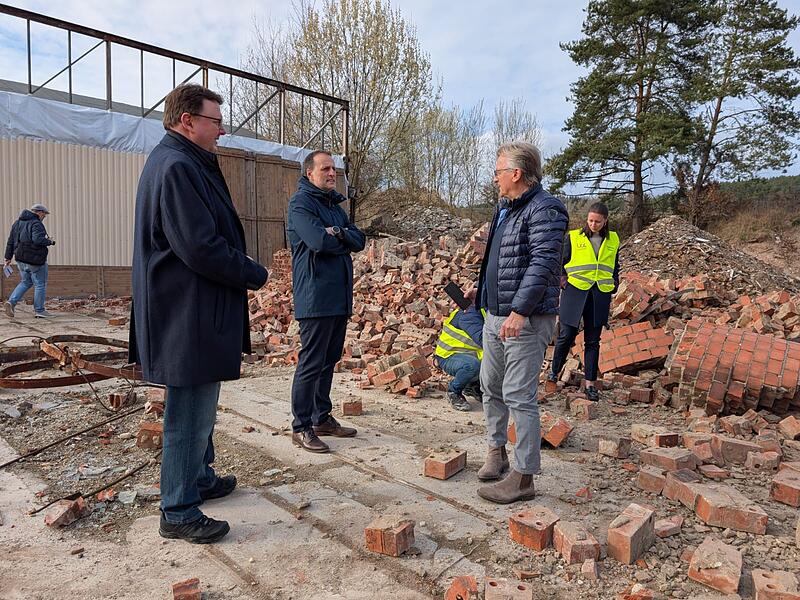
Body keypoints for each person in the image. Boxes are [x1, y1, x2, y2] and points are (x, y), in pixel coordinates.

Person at [129, 84, 268, 544]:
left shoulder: (184, 162)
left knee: (202, 402)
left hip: (193, 311)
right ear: (187, 120)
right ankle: (179, 508)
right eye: (215, 120)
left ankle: (199, 478)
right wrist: (251, 272)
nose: (222, 129)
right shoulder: (176, 167)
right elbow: (199, 246)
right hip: (184, 314)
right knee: (188, 411)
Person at [471, 141, 569, 504]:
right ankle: (496, 452)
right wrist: (479, 290)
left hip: (524, 320)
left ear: (516, 173)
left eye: (498, 171)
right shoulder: (505, 209)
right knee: (490, 386)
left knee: (518, 395)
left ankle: (524, 477)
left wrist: (520, 311)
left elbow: (543, 264)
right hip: (495, 315)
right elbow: (500, 259)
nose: (495, 178)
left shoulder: (546, 210)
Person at [287, 150, 366, 453]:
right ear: (310, 173)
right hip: (315, 296)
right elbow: (318, 241)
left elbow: (359, 240)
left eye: (334, 169)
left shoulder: (334, 207)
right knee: (311, 362)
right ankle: (301, 426)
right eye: (326, 169)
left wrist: (339, 232)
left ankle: (321, 417)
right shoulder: (301, 204)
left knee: (328, 360)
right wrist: (338, 237)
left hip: (338, 297)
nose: (332, 173)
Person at [548, 202, 620, 401]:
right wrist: (563, 282)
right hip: (575, 291)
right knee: (566, 334)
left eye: (598, 221)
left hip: (599, 295)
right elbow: (560, 263)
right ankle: (554, 373)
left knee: (592, 341)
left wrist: (615, 282)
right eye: (590, 220)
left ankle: (590, 385)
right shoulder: (572, 237)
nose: (593, 224)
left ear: (605, 221)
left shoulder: (613, 239)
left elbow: (615, 265)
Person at [4, 204, 56, 318]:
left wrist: (8, 258)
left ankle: (11, 302)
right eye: (44, 214)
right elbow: (37, 240)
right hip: (35, 260)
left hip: (20, 259)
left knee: (25, 282)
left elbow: (10, 242)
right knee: (40, 284)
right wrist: (50, 241)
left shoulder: (17, 223)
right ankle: (40, 311)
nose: (44, 217)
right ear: (39, 212)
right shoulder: (36, 223)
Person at [434, 304, 484, 411]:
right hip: (448, 356)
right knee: (472, 366)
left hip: (467, 354)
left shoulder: (482, 311)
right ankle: (453, 391)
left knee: (491, 361)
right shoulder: (469, 315)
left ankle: (471, 386)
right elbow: (485, 341)